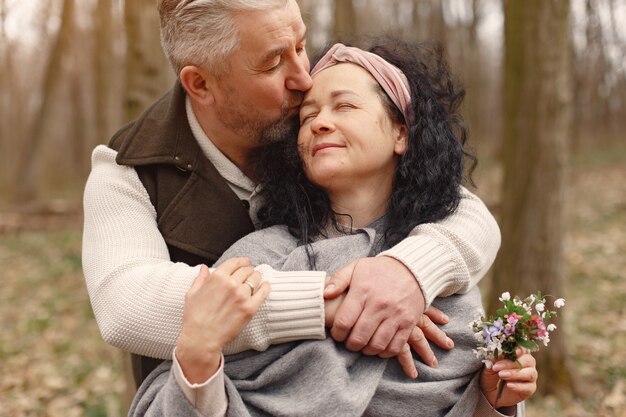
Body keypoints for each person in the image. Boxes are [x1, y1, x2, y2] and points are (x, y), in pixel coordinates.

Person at [82, 0, 500, 393]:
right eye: (273, 62)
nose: (304, 76)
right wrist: (332, 302)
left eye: (300, 45)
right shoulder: (127, 172)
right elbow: (127, 307)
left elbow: (463, 212)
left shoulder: (313, 125)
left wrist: (408, 271)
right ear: (201, 83)